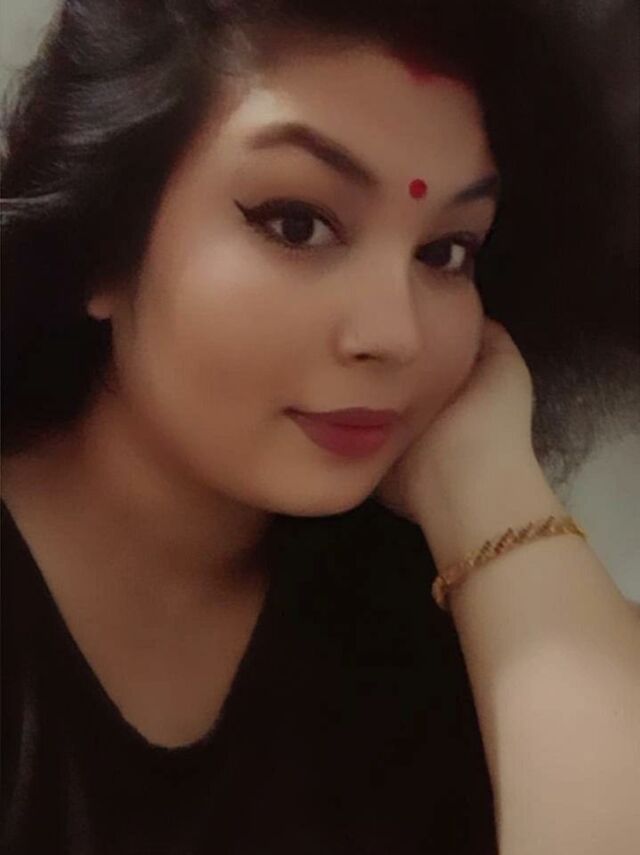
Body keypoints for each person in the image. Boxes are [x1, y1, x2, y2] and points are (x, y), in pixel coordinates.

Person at [1, 1, 638, 853]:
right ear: (101, 242)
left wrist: (486, 485)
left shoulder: (432, 610)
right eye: (297, 224)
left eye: (447, 251)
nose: (396, 334)